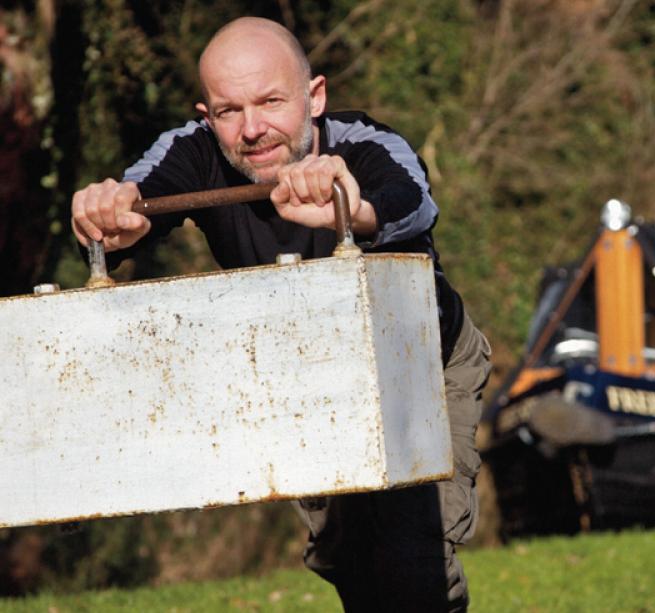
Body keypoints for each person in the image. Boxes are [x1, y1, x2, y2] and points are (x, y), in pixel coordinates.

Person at [70, 16, 490, 613]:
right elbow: (138, 199)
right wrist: (107, 214)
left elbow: (413, 205)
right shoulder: (194, 152)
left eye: (271, 101)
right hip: (313, 383)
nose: (252, 129)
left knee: (410, 557)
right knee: (348, 559)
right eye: (228, 111)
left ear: (314, 97)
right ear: (206, 113)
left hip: (422, 369)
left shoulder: (367, 145)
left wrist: (351, 205)